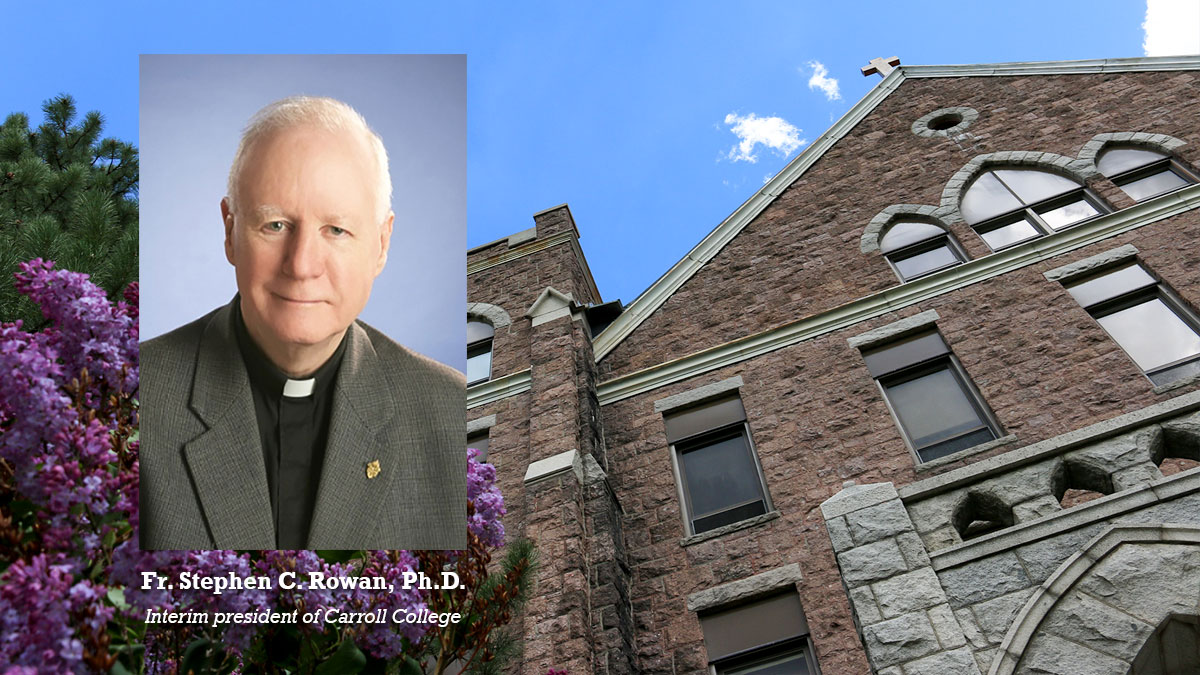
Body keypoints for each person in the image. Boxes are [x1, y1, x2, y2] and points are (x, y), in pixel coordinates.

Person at [139, 97, 465, 550]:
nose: (302, 265)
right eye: (274, 225)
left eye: (336, 230)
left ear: (382, 244)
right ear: (230, 230)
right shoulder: (131, 395)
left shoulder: (449, 413)